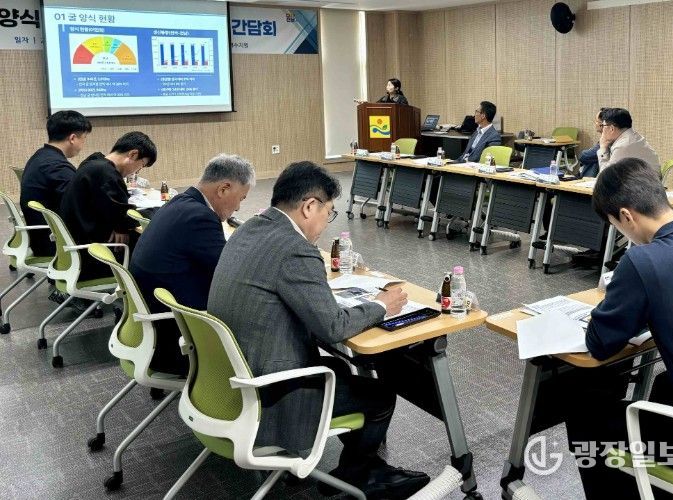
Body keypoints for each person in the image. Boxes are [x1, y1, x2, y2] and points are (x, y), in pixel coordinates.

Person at [208, 161, 430, 498]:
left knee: (338, 367)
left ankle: (362, 467)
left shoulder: (250, 228)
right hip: (268, 396)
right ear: (310, 206)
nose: (327, 222)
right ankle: (358, 476)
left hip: (227, 380)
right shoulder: (295, 249)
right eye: (329, 212)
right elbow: (333, 327)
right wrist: (382, 305)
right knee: (380, 395)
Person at [565, 158, 673, 498]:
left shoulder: (643, 260)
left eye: (616, 226)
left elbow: (600, 343)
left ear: (626, 216)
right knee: (666, 384)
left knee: (585, 411)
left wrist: (618, 298)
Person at [129, 154, 255, 375]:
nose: (237, 208)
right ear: (224, 189)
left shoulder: (180, 202)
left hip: (152, 328)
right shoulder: (201, 218)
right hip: (178, 340)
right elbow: (232, 276)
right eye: (241, 198)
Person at [60, 131, 156, 282]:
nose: (137, 171)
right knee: (153, 241)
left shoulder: (93, 164)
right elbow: (125, 215)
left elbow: (115, 210)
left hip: (77, 249)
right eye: (141, 165)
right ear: (133, 154)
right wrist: (122, 225)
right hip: (93, 257)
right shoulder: (105, 173)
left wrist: (120, 224)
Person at [20, 110, 92, 258]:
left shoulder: (41, 156)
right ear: (73, 138)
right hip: (56, 244)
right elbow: (79, 206)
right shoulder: (57, 167)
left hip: (42, 237)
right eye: (84, 138)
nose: (83, 144)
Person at [578, 108, 607, 178]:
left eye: (596, 121)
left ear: (602, 124)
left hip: (600, 177)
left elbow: (583, 156)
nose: (595, 124)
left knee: (592, 161)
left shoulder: (607, 140)